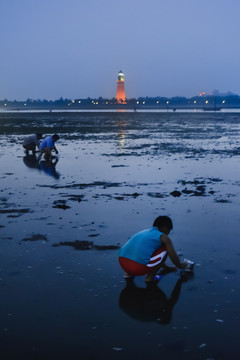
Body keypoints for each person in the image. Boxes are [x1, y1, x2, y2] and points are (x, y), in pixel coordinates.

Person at [119, 216, 187, 283]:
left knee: (147, 249)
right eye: (169, 230)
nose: (168, 233)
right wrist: (180, 266)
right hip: (137, 267)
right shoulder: (163, 237)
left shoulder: (144, 231)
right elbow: (172, 255)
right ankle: (150, 277)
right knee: (165, 248)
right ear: (166, 227)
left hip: (123, 263)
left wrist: (166, 267)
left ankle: (128, 274)